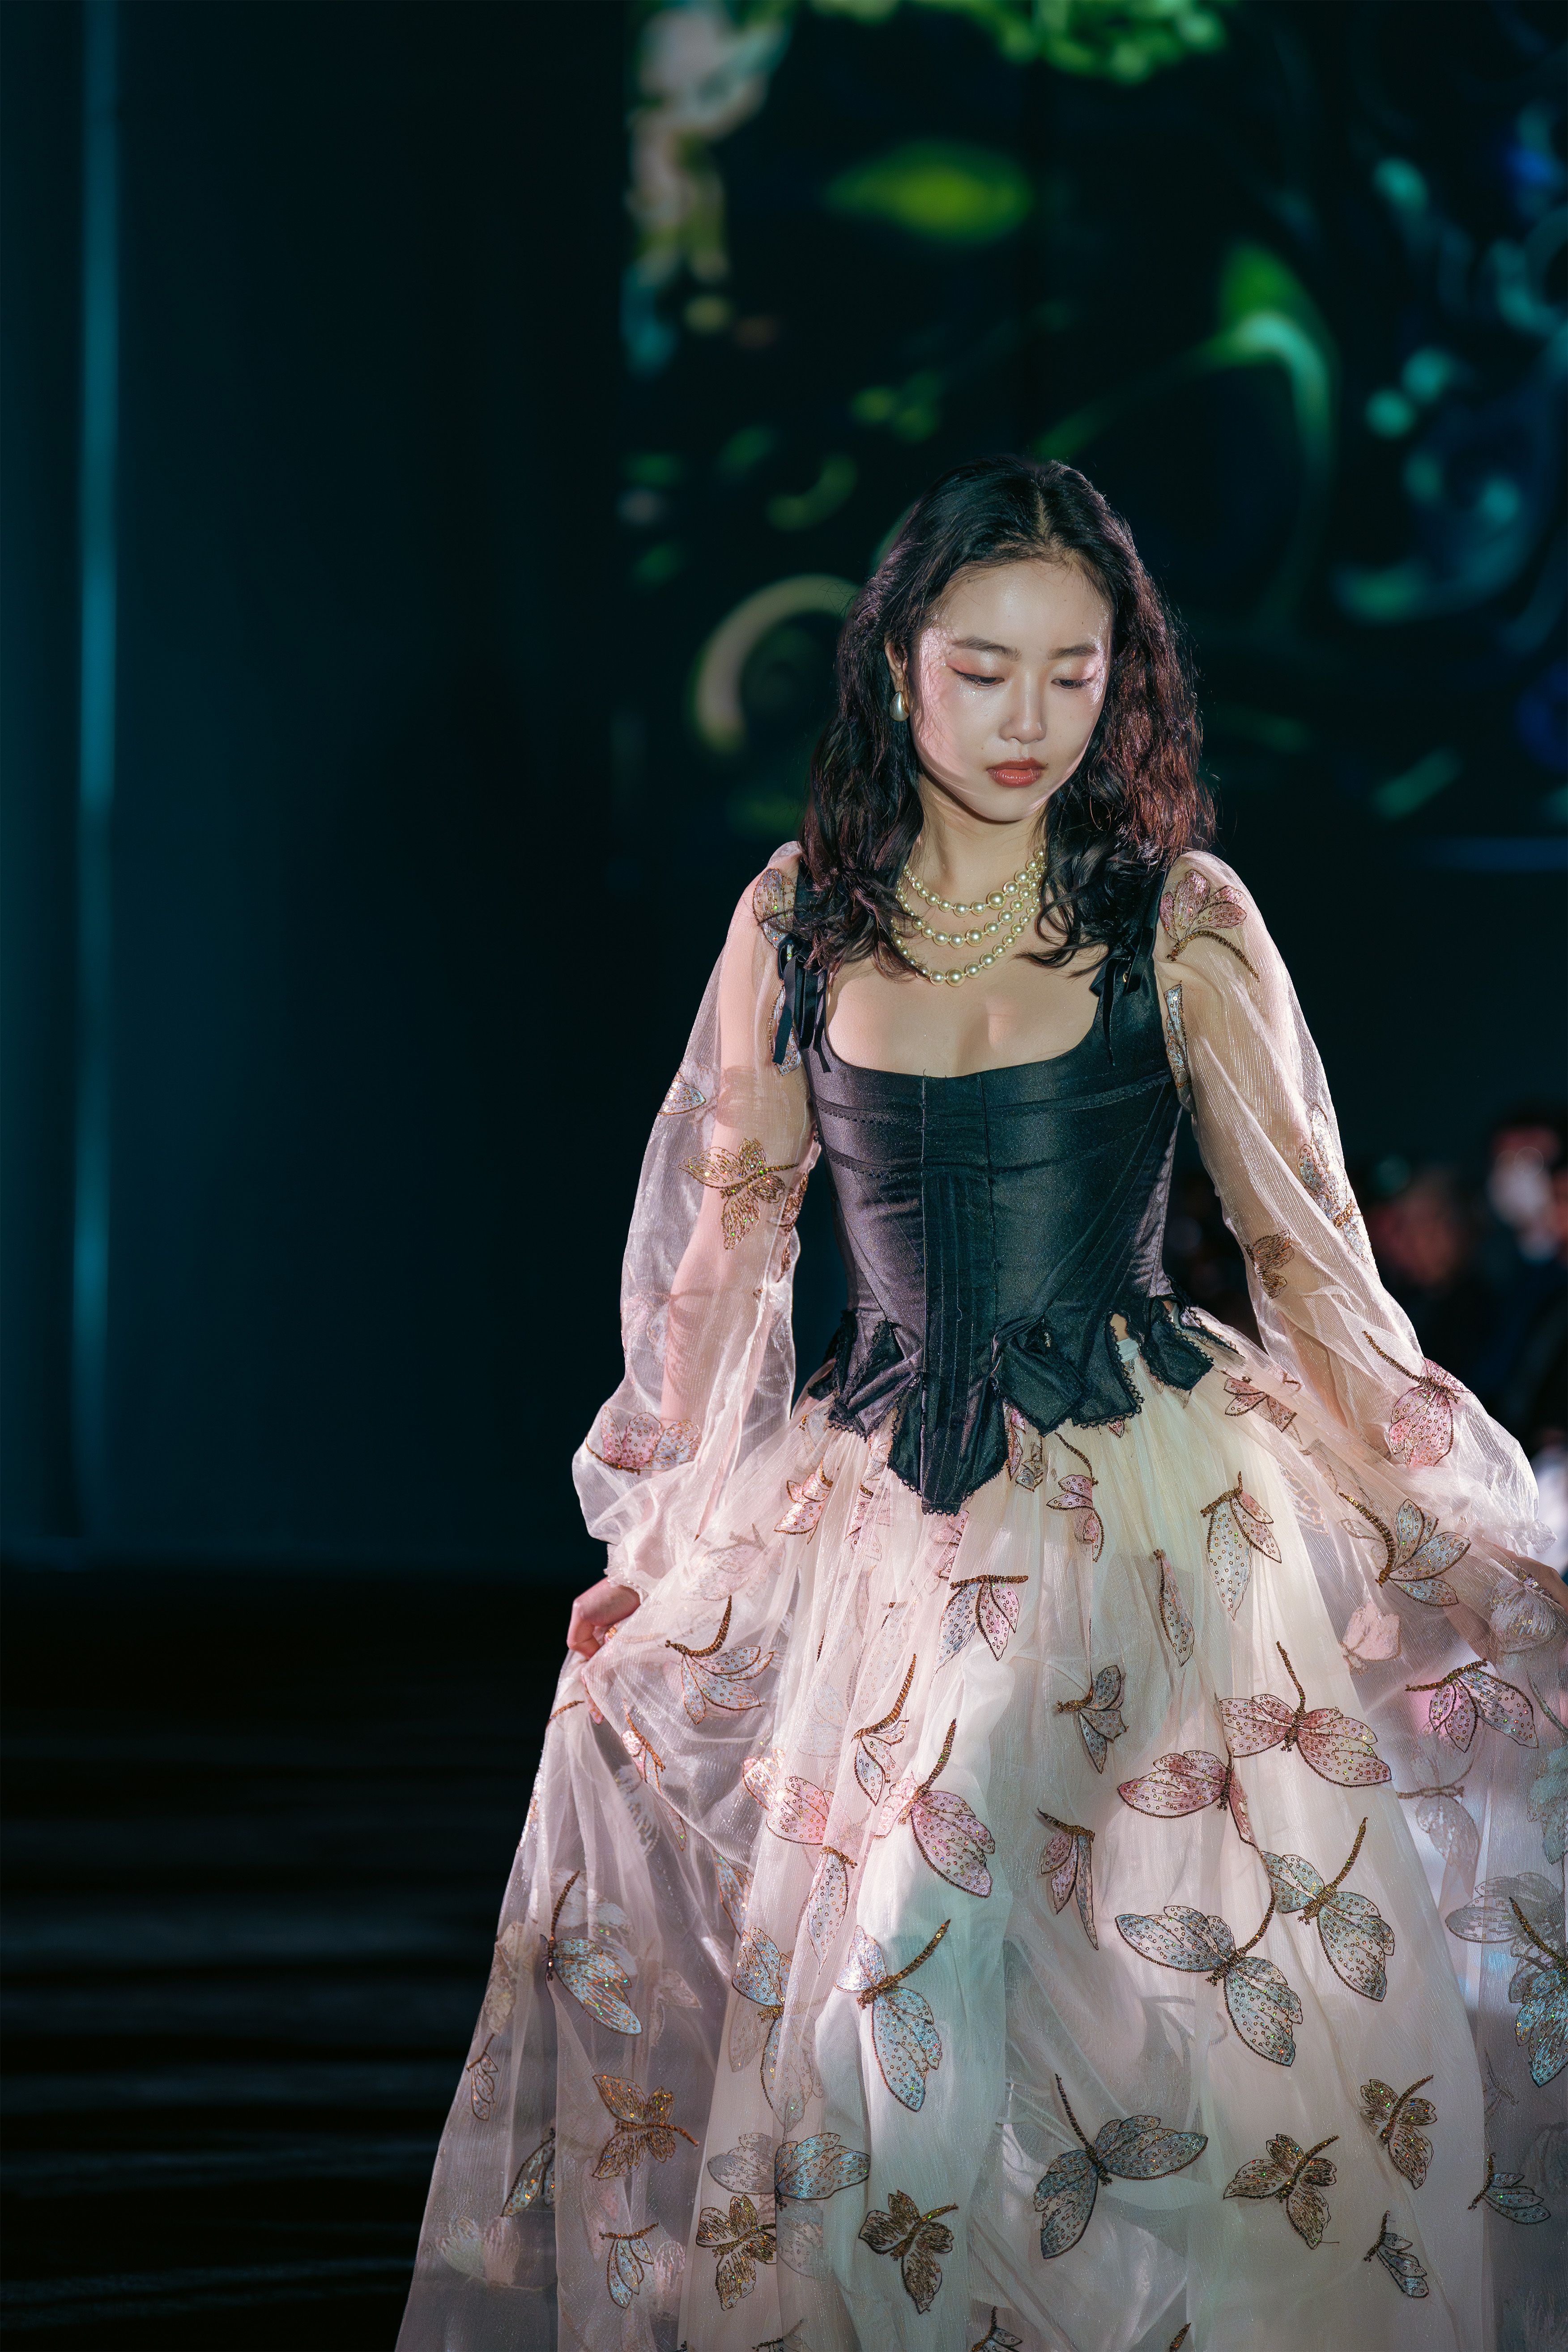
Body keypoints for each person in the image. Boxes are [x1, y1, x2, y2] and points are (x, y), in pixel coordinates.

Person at [397, 460, 1562, 2352]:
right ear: (897, 669)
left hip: (1152, 1516)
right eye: (985, 668)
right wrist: (658, 1545)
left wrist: (1473, 1524)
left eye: (1074, 674)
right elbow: (727, 1254)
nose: (1031, 718)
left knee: (1132, 2025)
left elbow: (1316, 1265)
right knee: (905, 2018)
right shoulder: (799, 920)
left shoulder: (1179, 921)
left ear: (1124, 680)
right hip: (879, 1524)